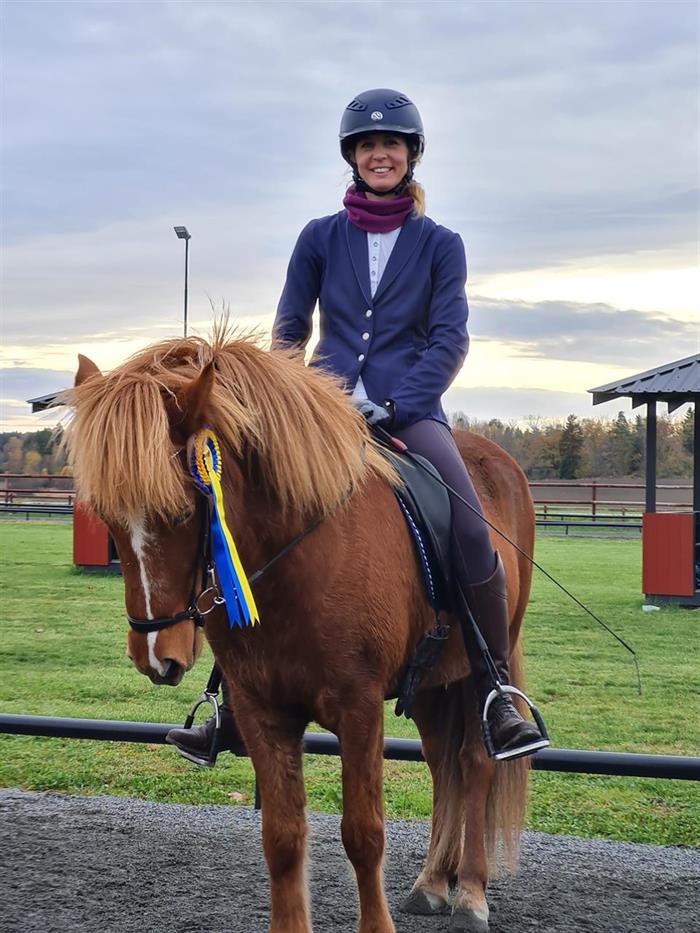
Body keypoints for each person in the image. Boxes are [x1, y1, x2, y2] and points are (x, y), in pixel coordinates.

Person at [167, 88, 548, 764]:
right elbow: (291, 329)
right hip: (322, 415)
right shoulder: (319, 237)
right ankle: (227, 696)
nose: (380, 154)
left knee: (465, 521)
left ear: (410, 157)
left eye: (392, 146)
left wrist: (399, 405)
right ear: (353, 157)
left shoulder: (441, 245)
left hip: (412, 415)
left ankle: (497, 691)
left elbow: (448, 339)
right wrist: (302, 399)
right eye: (369, 146)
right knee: (245, 518)